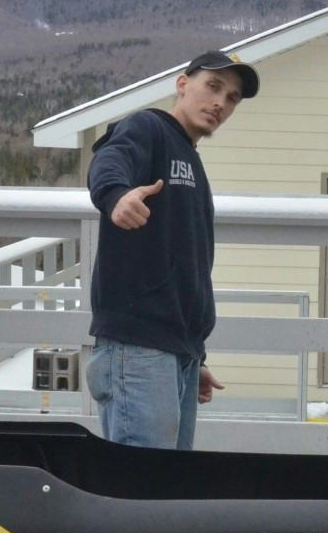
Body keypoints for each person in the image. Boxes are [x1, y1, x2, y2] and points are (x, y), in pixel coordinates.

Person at [84, 49, 259, 449]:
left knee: (164, 494)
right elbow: (110, 158)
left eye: (232, 97)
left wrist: (192, 351)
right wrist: (116, 196)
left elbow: (185, 266)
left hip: (177, 353)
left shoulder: (191, 161)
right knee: (138, 494)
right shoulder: (148, 128)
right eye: (213, 86)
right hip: (137, 349)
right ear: (182, 85)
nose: (220, 102)